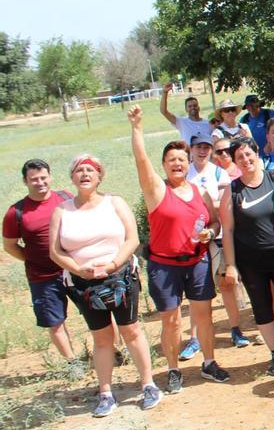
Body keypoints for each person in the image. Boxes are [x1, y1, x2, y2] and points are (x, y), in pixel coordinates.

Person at [48, 154, 159, 416]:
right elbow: (55, 251)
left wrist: (113, 265)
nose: (85, 174)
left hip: (120, 276)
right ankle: (106, 392)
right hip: (83, 283)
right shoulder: (61, 210)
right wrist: (78, 270)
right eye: (79, 170)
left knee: (131, 331)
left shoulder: (114, 203)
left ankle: (148, 384)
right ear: (72, 177)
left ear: (100, 176)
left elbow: (132, 239)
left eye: (90, 170)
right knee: (101, 338)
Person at [128, 106, 228, 391]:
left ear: (189, 163)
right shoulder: (156, 191)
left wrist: (212, 232)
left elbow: (215, 222)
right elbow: (140, 160)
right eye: (171, 160)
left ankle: (209, 363)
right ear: (163, 165)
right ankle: (173, 369)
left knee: (204, 315)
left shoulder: (199, 191)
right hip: (165, 265)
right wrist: (137, 128)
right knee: (171, 321)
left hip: (197, 262)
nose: (177, 164)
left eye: (182, 159)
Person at [220, 138, 274, 376]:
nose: (245, 160)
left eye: (248, 154)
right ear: (234, 162)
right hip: (250, 262)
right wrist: (231, 265)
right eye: (239, 157)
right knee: (262, 307)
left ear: (256, 153)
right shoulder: (231, 191)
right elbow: (228, 230)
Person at [4, 160, 78, 361]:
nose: (40, 182)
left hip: (76, 270)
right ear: (25, 181)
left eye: (43, 177)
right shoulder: (16, 212)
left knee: (100, 312)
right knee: (55, 323)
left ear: (50, 176)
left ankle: (115, 352)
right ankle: (73, 363)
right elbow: (10, 246)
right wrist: (34, 261)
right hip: (42, 277)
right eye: (33, 179)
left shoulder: (66, 199)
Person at [185, 133, 249, 350]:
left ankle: (235, 329)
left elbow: (223, 202)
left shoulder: (219, 173)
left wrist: (203, 204)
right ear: (191, 149)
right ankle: (194, 339)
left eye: (206, 147)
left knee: (226, 285)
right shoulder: (185, 172)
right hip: (192, 239)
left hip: (218, 234)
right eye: (198, 147)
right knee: (196, 292)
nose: (202, 151)